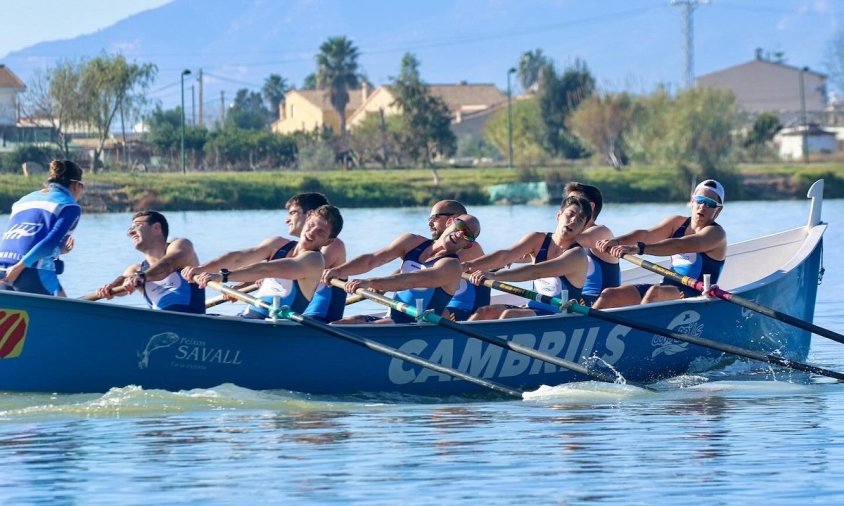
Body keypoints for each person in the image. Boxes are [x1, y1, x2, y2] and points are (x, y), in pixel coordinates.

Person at [181, 192, 347, 322]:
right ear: (308, 219)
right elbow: (238, 258)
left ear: (328, 240)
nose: (311, 232)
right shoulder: (277, 244)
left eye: (320, 232)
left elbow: (267, 269)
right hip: (250, 318)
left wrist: (222, 276)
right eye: (311, 226)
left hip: (277, 325)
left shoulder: (314, 260)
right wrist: (203, 269)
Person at [592, 179, 727, 309]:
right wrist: (616, 241)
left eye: (710, 203)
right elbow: (645, 234)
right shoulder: (676, 223)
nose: (702, 206)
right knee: (609, 295)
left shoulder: (716, 234)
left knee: (655, 293)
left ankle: (639, 330)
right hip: (667, 289)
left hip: (697, 295)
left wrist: (638, 248)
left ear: (718, 210)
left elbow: (679, 245)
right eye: (700, 200)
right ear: (692, 201)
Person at [330, 214, 481, 324]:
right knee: (344, 323)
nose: (460, 233)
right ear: (450, 222)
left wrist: (370, 282)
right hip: (393, 321)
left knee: (374, 326)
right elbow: (372, 259)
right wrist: (339, 271)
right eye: (460, 226)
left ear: (468, 245)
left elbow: (411, 281)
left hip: (421, 328)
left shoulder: (451, 265)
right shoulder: (412, 241)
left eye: (467, 235)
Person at [464, 195, 593, 320]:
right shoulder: (537, 239)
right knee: (484, 312)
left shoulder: (577, 255)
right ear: (558, 215)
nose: (573, 221)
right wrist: (467, 265)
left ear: (582, 229)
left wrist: (493, 276)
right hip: (534, 308)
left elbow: (536, 271)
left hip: (560, 315)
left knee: (509, 316)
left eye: (580, 220)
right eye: (570, 214)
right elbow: (505, 255)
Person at [0, 159, 84, 296]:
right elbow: (49, 243)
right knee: (66, 315)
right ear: (76, 185)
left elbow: (23, 240)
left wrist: (58, 250)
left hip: (2, 271)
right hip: (31, 273)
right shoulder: (70, 206)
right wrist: (17, 268)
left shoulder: (22, 200)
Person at [95, 211, 206, 314]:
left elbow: (168, 265)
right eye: (130, 228)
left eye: (137, 225)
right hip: (162, 331)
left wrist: (142, 277)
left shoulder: (182, 245)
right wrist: (110, 288)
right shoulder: (136, 270)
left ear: (156, 228)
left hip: (193, 324)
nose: (131, 232)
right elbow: (123, 282)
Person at [427, 200, 490, 321]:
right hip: (448, 309)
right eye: (429, 218)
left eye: (434, 217)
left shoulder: (470, 248)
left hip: (470, 312)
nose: (430, 223)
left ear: (452, 219)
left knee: (431, 311)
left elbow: (428, 268)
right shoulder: (431, 249)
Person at [563, 182, 620, 306]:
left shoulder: (601, 232)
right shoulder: (569, 236)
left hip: (600, 301)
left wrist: (531, 248)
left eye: (573, 201)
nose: (567, 206)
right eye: (567, 201)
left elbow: (558, 245)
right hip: (579, 299)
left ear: (590, 206)